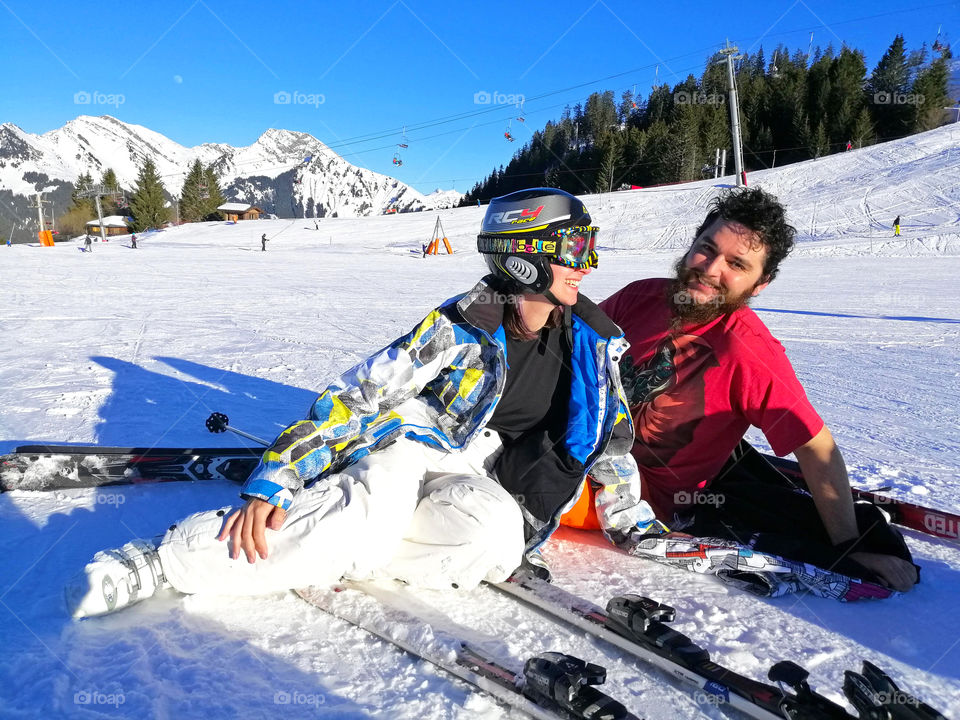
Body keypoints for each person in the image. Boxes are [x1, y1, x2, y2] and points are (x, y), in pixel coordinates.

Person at [65, 188, 663, 619]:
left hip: (480, 472)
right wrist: (276, 476)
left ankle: (331, 544)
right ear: (523, 254)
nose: (587, 265)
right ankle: (166, 560)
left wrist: (634, 524)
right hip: (412, 443)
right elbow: (359, 396)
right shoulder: (462, 326)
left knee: (494, 541)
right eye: (574, 248)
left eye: (589, 247)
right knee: (370, 516)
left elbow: (608, 438)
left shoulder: (594, 340)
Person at [595, 186, 918, 592]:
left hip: (624, 497)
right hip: (578, 448)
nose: (711, 270)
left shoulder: (748, 349)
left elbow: (816, 446)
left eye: (736, 264)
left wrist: (846, 545)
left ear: (759, 283)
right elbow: (572, 349)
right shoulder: (640, 296)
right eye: (707, 249)